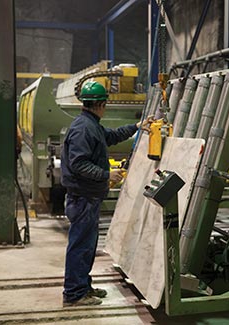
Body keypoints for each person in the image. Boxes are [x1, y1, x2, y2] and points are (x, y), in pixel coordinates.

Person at [60, 81, 151, 307]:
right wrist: (106, 175)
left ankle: (83, 287)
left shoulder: (91, 124)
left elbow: (111, 136)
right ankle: (74, 294)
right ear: (101, 104)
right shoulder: (83, 128)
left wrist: (137, 126)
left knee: (87, 246)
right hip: (82, 198)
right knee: (80, 246)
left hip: (87, 197)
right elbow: (79, 163)